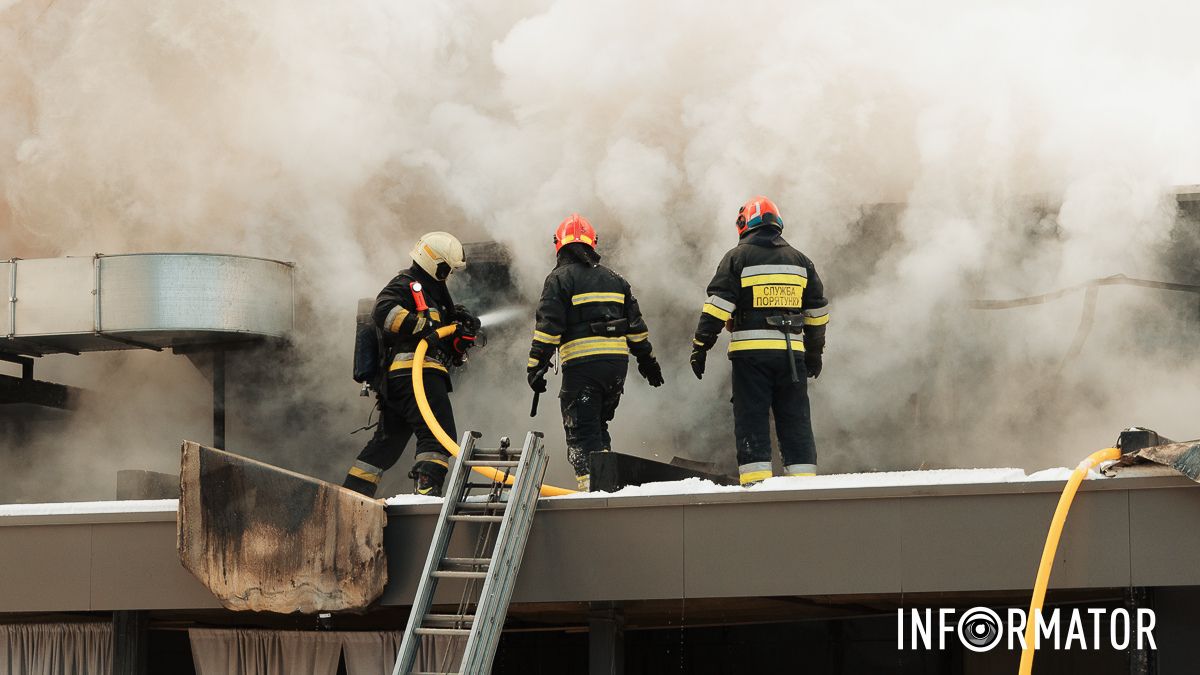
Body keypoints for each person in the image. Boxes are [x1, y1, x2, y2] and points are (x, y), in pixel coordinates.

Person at [689, 196, 829, 486]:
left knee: (752, 419)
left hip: (750, 357)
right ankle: (803, 485)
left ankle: (757, 487)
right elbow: (816, 312)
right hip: (792, 357)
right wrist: (814, 353)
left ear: (744, 224)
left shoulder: (737, 258)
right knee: (796, 419)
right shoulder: (801, 261)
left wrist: (701, 346)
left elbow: (717, 307)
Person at [527, 214, 664, 491]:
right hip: (615, 369)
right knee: (598, 429)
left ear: (559, 245)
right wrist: (648, 362)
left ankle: (593, 492)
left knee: (581, 433)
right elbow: (636, 328)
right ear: (592, 244)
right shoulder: (616, 280)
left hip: (583, 368)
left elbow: (548, 328)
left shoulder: (558, 279)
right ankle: (607, 484)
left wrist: (535, 366)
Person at [342, 231, 479, 497]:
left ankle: (352, 495)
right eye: (446, 269)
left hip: (404, 382)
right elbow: (383, 310)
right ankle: (426, 492)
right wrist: (427, 326)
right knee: (438, 436)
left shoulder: (434, 293)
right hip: (417, 375)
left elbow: (444, 340)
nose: (448, 274)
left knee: (387, 444)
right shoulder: (407, 283)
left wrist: (460, 334)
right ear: (435, 263)